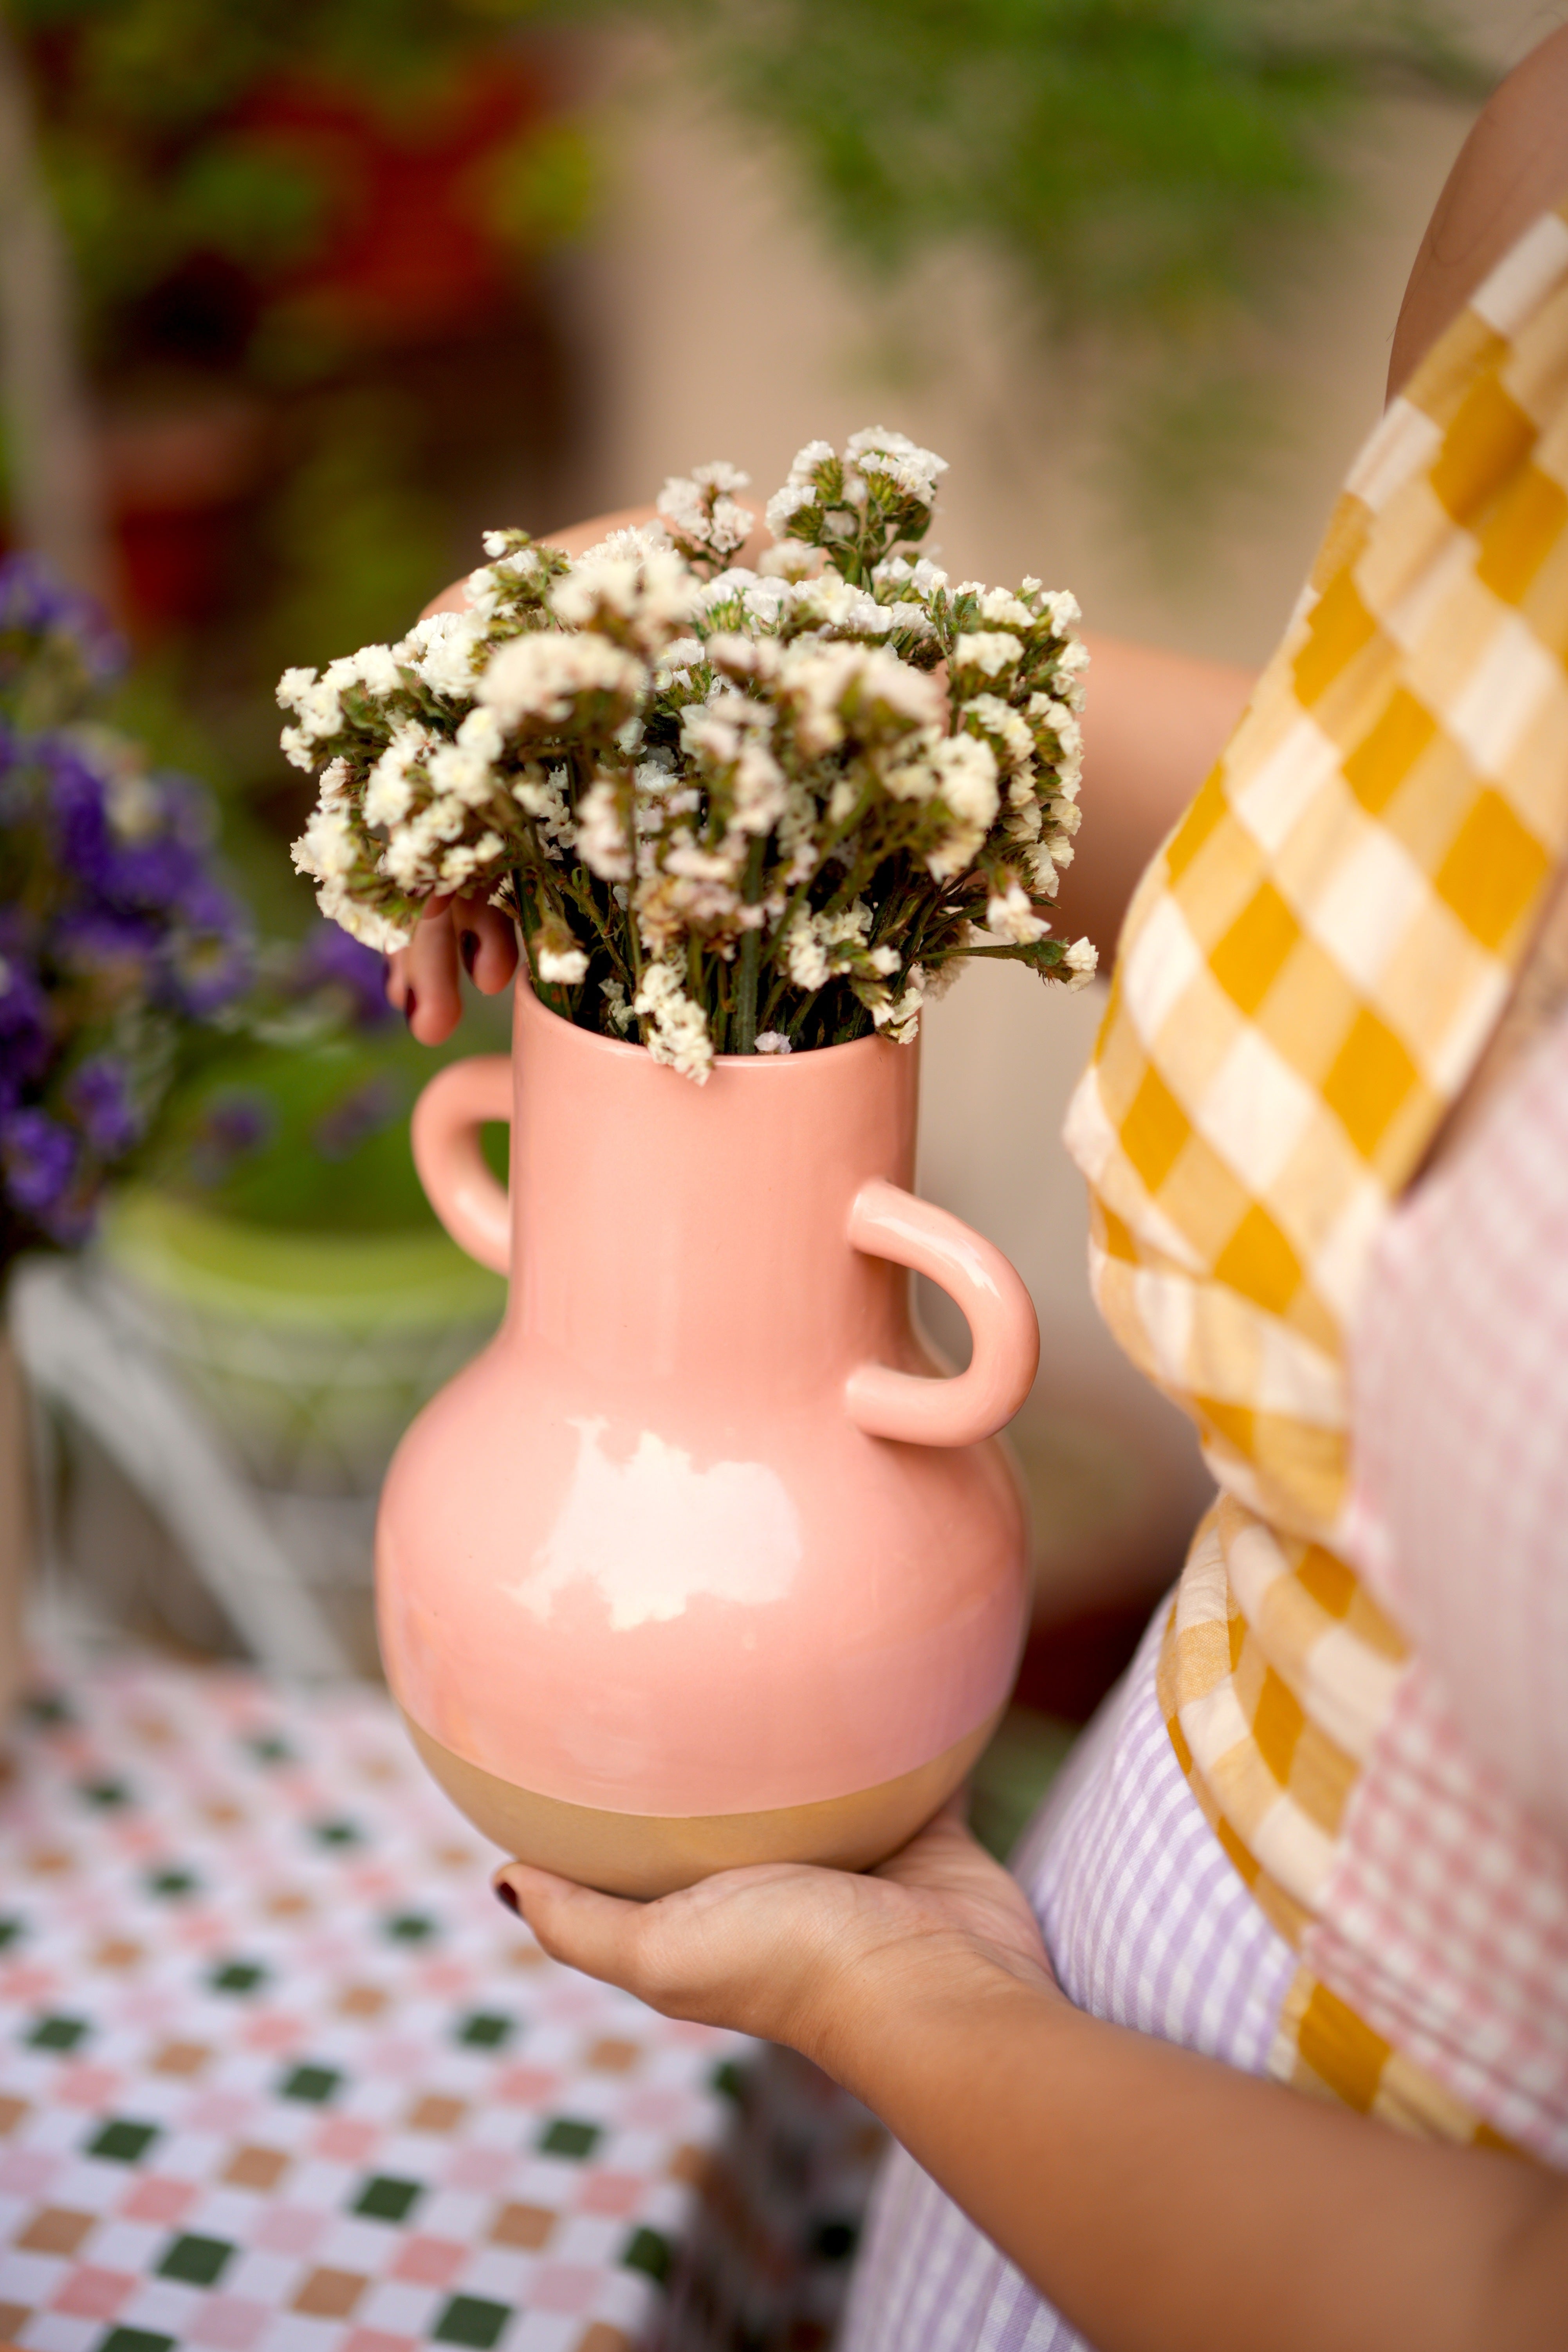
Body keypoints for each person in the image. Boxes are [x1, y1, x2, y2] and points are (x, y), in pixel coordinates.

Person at [388, 30, 1568, 2348]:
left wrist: (913, 2008)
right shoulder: (1552, 152)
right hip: (1050, 2107)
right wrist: (781, 663)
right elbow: (1421, 870)